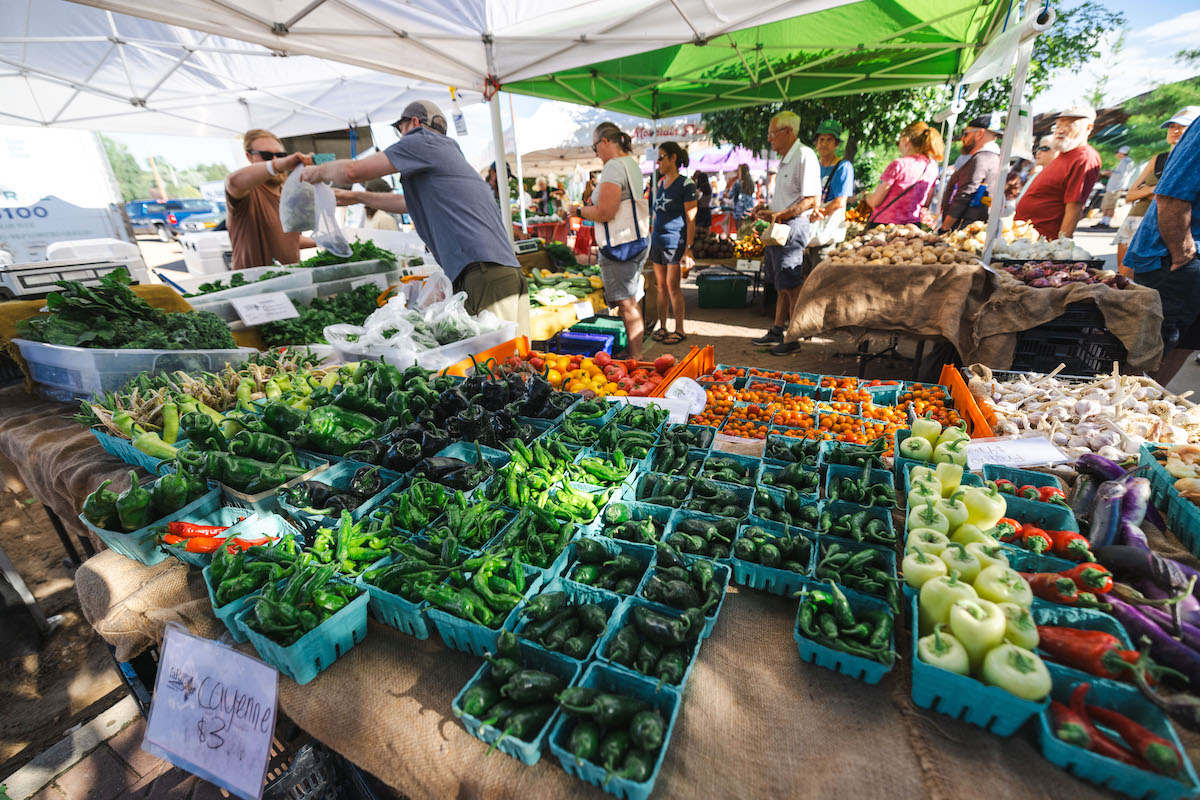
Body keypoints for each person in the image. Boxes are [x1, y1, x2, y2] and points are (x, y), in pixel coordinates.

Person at [300, 100, 528, 334]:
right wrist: (359, 197)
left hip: (484, 276)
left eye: (401, 129)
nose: (401, 137)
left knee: (497, 363)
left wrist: (316, 172)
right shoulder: (446, 151)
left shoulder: (421, 139)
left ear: (415, 123)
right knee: (518, 363)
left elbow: (353, 171)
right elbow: (407, 204)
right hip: (504, 275)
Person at [1125, 110, 1200, 384]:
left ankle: (1146, 408)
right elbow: (1170, 197)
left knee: (1186, 340)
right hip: (1173, 259)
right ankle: (1116, 414)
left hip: (1185, 260)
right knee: (1153, 346)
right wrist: (1184, 254)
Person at [748, 111, 821, 355]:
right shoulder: (787, 158)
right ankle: (778, 329)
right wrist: (768, 211)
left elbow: (810, 199)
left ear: (787, 131)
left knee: (791, 283)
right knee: (781, 284)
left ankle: (794, 337)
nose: (769, 140)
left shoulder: (804, 155)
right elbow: (790, 199)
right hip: (781, 227)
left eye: (772, 134)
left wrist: (779, 215)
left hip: (792, 227)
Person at [577, 122, 648, 360]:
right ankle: (634, 352)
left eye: (595, 145)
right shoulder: (631, 165)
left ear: (606, 142)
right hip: (635, 239)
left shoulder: (614, 167)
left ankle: (634, 356)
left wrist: (579, 211)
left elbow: (606, 211)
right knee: (631, 300)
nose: (595, 151)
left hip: (621, 245)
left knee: (627, 303)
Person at [1116, 108, 1196, 274]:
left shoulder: (1191, 162)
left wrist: (1153, 192)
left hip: (1162, 226)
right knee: (1120, 278)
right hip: (1134, 220)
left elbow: (1170, 198)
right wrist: (1156, 190)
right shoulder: (1158, 159)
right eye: (1171, 126)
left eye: (1183, 127)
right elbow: (1130, 195)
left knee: (1139, 279)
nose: (1175, 130)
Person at [224, 128, 316, 269]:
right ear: (249, 157)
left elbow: (288, 239)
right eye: (266, 155)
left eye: (280, 155)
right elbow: (232, 181)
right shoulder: (247, 191)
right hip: (254, 284)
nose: (275, 159)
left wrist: (322, 241)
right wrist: (279, 165)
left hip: (290, 280)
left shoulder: (288, 193)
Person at [1014, 104, 1102, 240]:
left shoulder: (1084, 157)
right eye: (1059, 125)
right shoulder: (1063, 155)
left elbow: (1074, 207)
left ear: (1088, 128)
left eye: (1069, 125)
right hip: (1025, 236)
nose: (1061, 130)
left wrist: (1060, 246)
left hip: (1043, 242)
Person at [649, 142, 697, 344]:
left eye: (661, 157)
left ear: (673, 158)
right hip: (657, 241)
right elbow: (655, 214)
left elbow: (691, 217)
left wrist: (688, 248)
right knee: (660, 286)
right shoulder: (660, 183)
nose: (657, 162)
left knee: (672, 287)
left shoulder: (686, 184)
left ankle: (680, 329)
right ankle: (662, 327)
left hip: (675, 242)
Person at [863, 121, 943, 227]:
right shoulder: (932, 166)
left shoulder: (899, 164)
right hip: (913, 225)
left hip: (885, 226)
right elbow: (927, 201)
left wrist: (865, 195)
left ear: (906, 141)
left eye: (898, 142)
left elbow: (875, 202)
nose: (899, 146)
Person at [806, 119, 855, 273]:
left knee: (819, 280)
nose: (824, 144)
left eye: (829, 139)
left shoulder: (844, 167)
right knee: (803, 279)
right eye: (821, 139)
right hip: (807, 234)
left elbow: (840, 202)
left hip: (826, 237)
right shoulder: (813, 166)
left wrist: (817, 214)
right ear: (816, 143)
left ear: (836, 144)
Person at [940, 113, 1003, 231]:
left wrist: (945, 227)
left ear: (979, 133)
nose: (963, 138)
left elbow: (964, 195)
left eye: (966, 134)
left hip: (965, 228)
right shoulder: (991, 157)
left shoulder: (982, 159)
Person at [1098, 145, 1136, 229]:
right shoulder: (1126, 161)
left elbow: (1121, 174)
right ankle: (1103, 221)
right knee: (1107, 205)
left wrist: (1109, 172)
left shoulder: (1126, 162)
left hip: (1116, 187)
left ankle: (1106, 222)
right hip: (1114, 187)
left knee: (1110, 205)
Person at [1013, 136, 1058, 207]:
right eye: (1038, 149)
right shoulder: (1036, 175)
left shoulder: (1058, 179)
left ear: (1057, 152)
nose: (1038, 152)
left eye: (1044, 149)